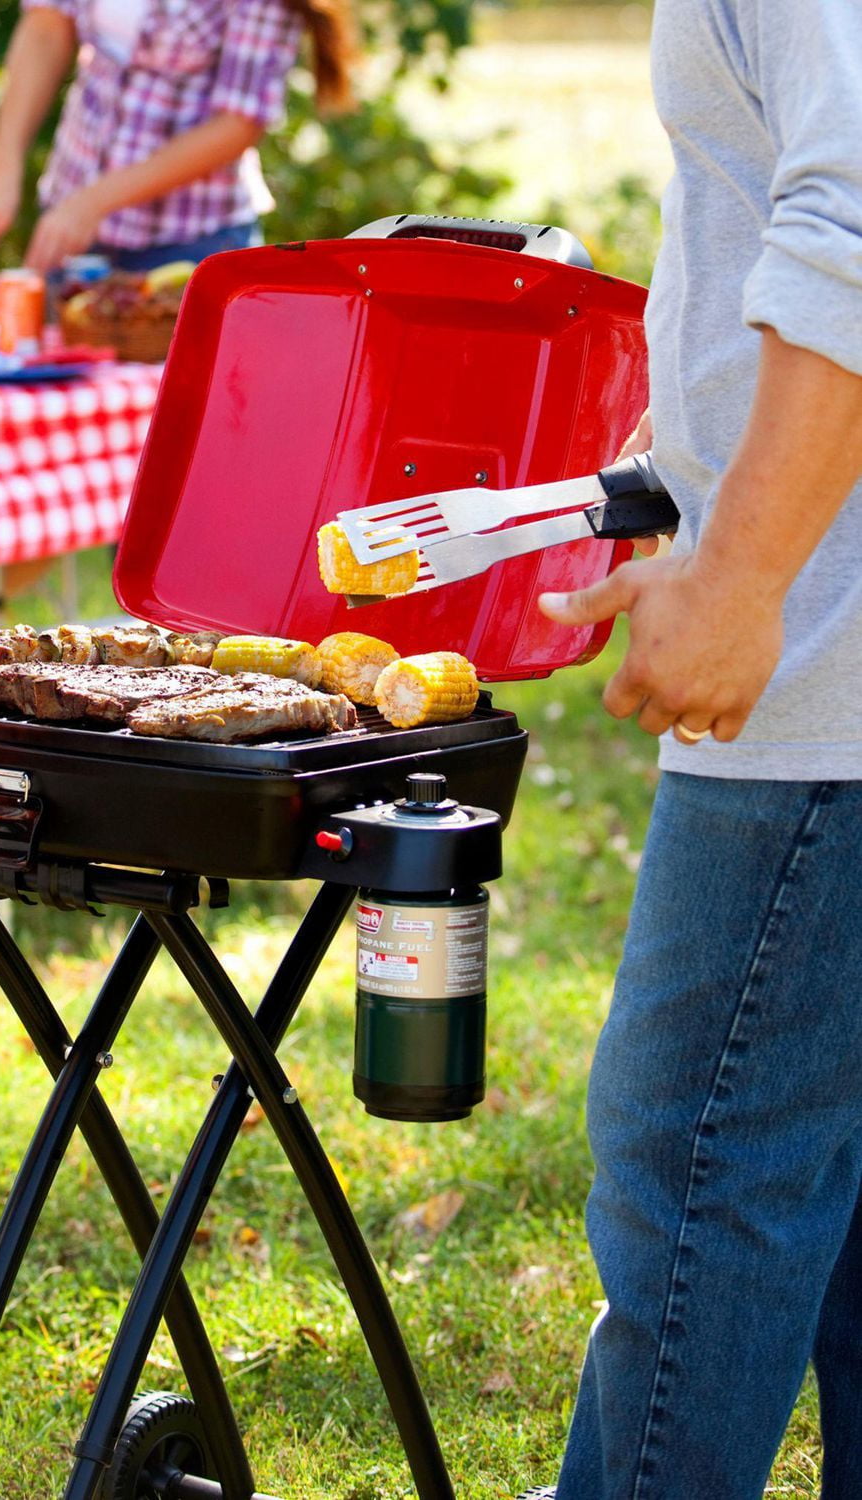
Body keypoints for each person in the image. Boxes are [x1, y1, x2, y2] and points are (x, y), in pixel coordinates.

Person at [517, 2, 862, 1497]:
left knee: (700, 1156)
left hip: (828, 673)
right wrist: (689, 495)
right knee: (830, 1184)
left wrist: (742, 585)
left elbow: (856, 220)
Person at [0, 0, 359, 276]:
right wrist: (3, 169)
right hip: (72, 221)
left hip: (191, 242)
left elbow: (239, 123)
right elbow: (47, 27)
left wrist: (94, 202)